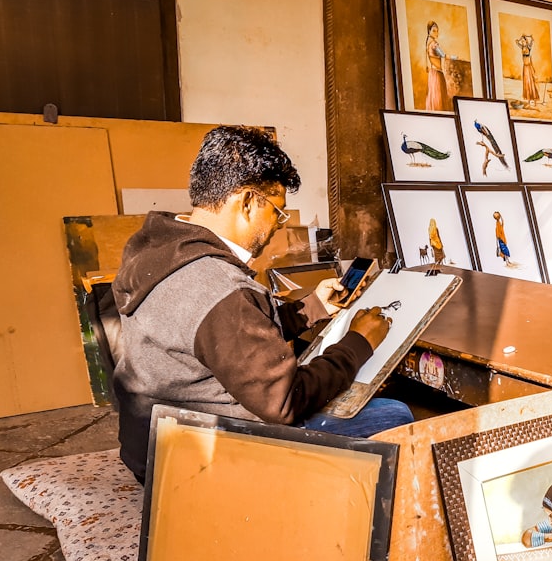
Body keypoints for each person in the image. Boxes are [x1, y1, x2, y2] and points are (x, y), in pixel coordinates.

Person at [111, 126, 413, 480]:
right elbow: (284, 402)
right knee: (395, 414)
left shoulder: (157, 251)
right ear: (248, 201)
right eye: (277, 212)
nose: (277, 226)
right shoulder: (219, 286)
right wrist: (359, 343)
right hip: (198, 462)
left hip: (148, 446)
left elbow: (219, 337)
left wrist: (312, 308)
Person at [425, 21, 452, 111]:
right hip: (437, 73)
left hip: (433, 72)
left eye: (437, 31)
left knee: (434, 94)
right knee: (438, 94)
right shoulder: (433, 44)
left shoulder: (428, 43)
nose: (436, 33)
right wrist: (455, 57)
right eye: (434, 31)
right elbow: (443, 55)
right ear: (429, 31)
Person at [516, 34, 540, 105]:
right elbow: (516, 42)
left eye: (524, 41)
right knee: (526, 83)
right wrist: (521, 38)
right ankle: (529, 100)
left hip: (529, 67)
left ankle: (534, 99)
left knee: (531, 83)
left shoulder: (528, 47)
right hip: (525, 67)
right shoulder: (522, 47)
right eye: (522, 41)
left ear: (526, 42)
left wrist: (529, 37)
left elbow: (533, 40)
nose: (523, 42)